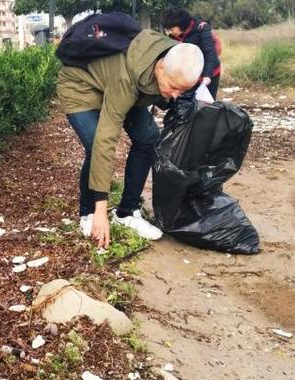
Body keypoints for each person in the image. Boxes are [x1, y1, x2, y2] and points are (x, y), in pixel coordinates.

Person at [58, 30, 204, 248]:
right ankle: (88, 211)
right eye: (173, 87)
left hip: (126, 88)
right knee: (95, 143)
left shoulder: (170, 56)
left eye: (181, 90)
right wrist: (100, 210)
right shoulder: (126, 77)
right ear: (160, 67)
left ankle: (127, 212)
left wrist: (180, 101)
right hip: (81, 86)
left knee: (148, 137)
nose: (175, 94)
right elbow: (105, 140)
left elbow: (163, 92)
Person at [161, 8, 222, 99]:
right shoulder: (173, 35)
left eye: (171, 29)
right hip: (189, 75)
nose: (169, 32)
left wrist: (207, 75)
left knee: (206, 105)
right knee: (186, 104)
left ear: (181, 25)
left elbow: (210, 52)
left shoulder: (201, 28)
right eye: (167, 29)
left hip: (209, 72)